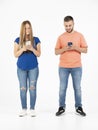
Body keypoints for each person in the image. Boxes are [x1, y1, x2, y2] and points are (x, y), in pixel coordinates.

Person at [55, 16, 88, 116]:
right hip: (63, 67)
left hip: (77, 66)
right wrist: (65, 48)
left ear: (73, 24)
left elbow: (85, 50)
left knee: (77, 88)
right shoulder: (61, 37)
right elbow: (56, 52)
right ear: (63, 25)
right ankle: (61, 107)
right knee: (62, 88)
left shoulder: (80, 36)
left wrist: (75, 47)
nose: (68, 27)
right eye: (66, 26)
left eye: (70, 25)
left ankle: (78, 107)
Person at [14, 20, 41, 117]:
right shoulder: (18, 40)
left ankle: (32, 108)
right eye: (25, 28)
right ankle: (24, 108)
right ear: (22, 29)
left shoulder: (36, 39)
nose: (27, 30)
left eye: (29, 27)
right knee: (23, 89)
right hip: (21, 68)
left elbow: (39, 54)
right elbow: (15, 54)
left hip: (33, 68)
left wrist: (32, 49)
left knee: (32, 88)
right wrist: (23, 49)